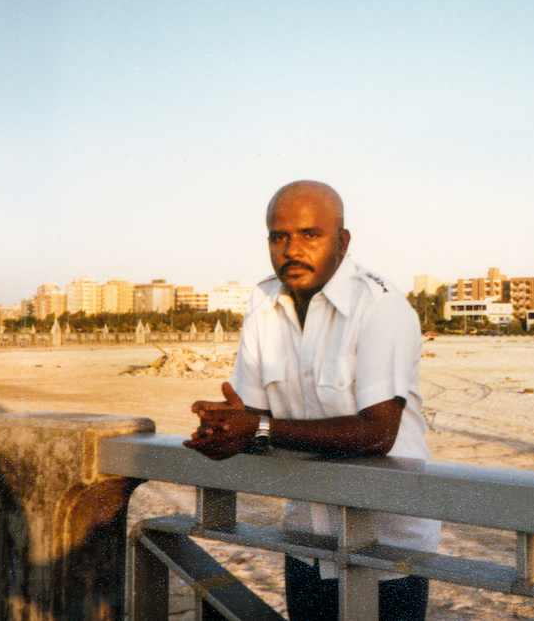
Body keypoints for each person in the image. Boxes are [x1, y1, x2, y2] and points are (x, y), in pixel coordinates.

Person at [184, 180, 440, 621]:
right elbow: (251, 414)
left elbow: (379, 432)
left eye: (310, 234)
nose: (291, 249)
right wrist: (227, 426)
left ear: (342, 242)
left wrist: (259, 427)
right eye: (278, 236)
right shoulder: (262, 302)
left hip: (385, 544)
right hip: (306, 536)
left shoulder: (380, 306)